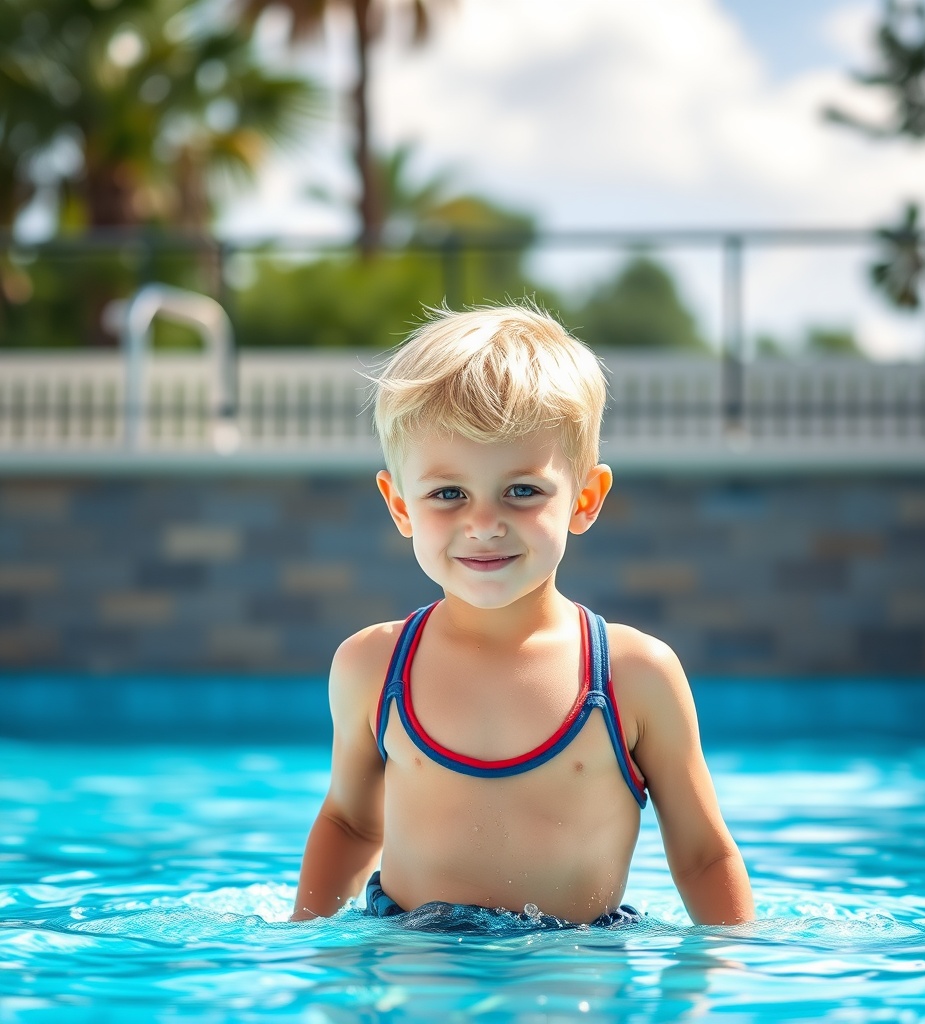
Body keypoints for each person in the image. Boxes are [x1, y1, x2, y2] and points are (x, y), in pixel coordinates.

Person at [291, 304, 754, 928]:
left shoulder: (631, 677)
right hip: (411, 953)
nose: (484, 524)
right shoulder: (372, 667)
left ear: (584, 499)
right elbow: (348, 821)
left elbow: (701, 855)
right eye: (448, 494)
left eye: (523, 490)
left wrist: (725, 976)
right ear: (400, 506)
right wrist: (306, 952)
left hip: (572, 965)